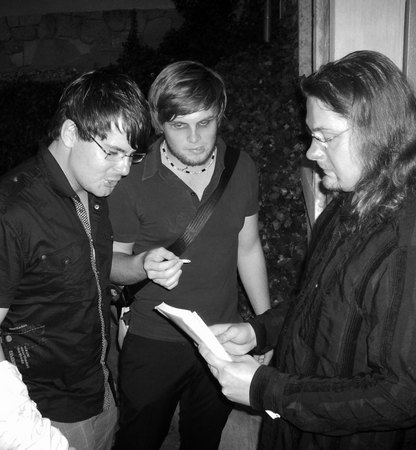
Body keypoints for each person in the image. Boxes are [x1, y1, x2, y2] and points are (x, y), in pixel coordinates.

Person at [198, 50, 416, 449]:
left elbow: (401, 395)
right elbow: (318, 300)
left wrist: (265, 388)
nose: (311, 153)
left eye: (325, 137)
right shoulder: (350, 202)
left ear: (379, 133)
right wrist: (258, 330)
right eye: (311, 136)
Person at [0, 69, 150, 449]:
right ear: (71, 132)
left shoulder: (94, 192)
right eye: (113, 152)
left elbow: (89, 272)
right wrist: (18, 431)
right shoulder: (5, 215)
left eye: (132, 156)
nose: (125, 169)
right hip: (42, 411)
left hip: (99, 388)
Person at [108, 60, 272, 449]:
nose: (195, 138)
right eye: (180, 125)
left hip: (222, 339)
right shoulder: (132, 176)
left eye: (205, 123)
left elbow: (248, 248)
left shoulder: (241, 167)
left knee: (204, 439)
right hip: (151, 339)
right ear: (159, 123)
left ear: (220, 115)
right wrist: (142, 265)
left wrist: (265, 328)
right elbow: (111, 264)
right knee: (138, 440)